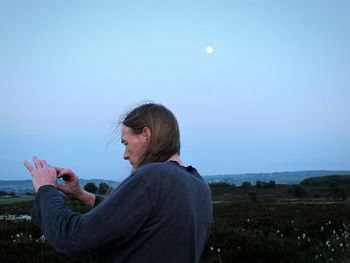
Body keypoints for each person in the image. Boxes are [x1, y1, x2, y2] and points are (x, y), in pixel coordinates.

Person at [23, 102, 213, 263]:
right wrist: (82, 195)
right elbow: (141, 216)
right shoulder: (198, 185)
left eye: (126, 143)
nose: (125, 155)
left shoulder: (153, 176)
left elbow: (73, 238)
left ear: (146, 134)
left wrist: (45, 188)